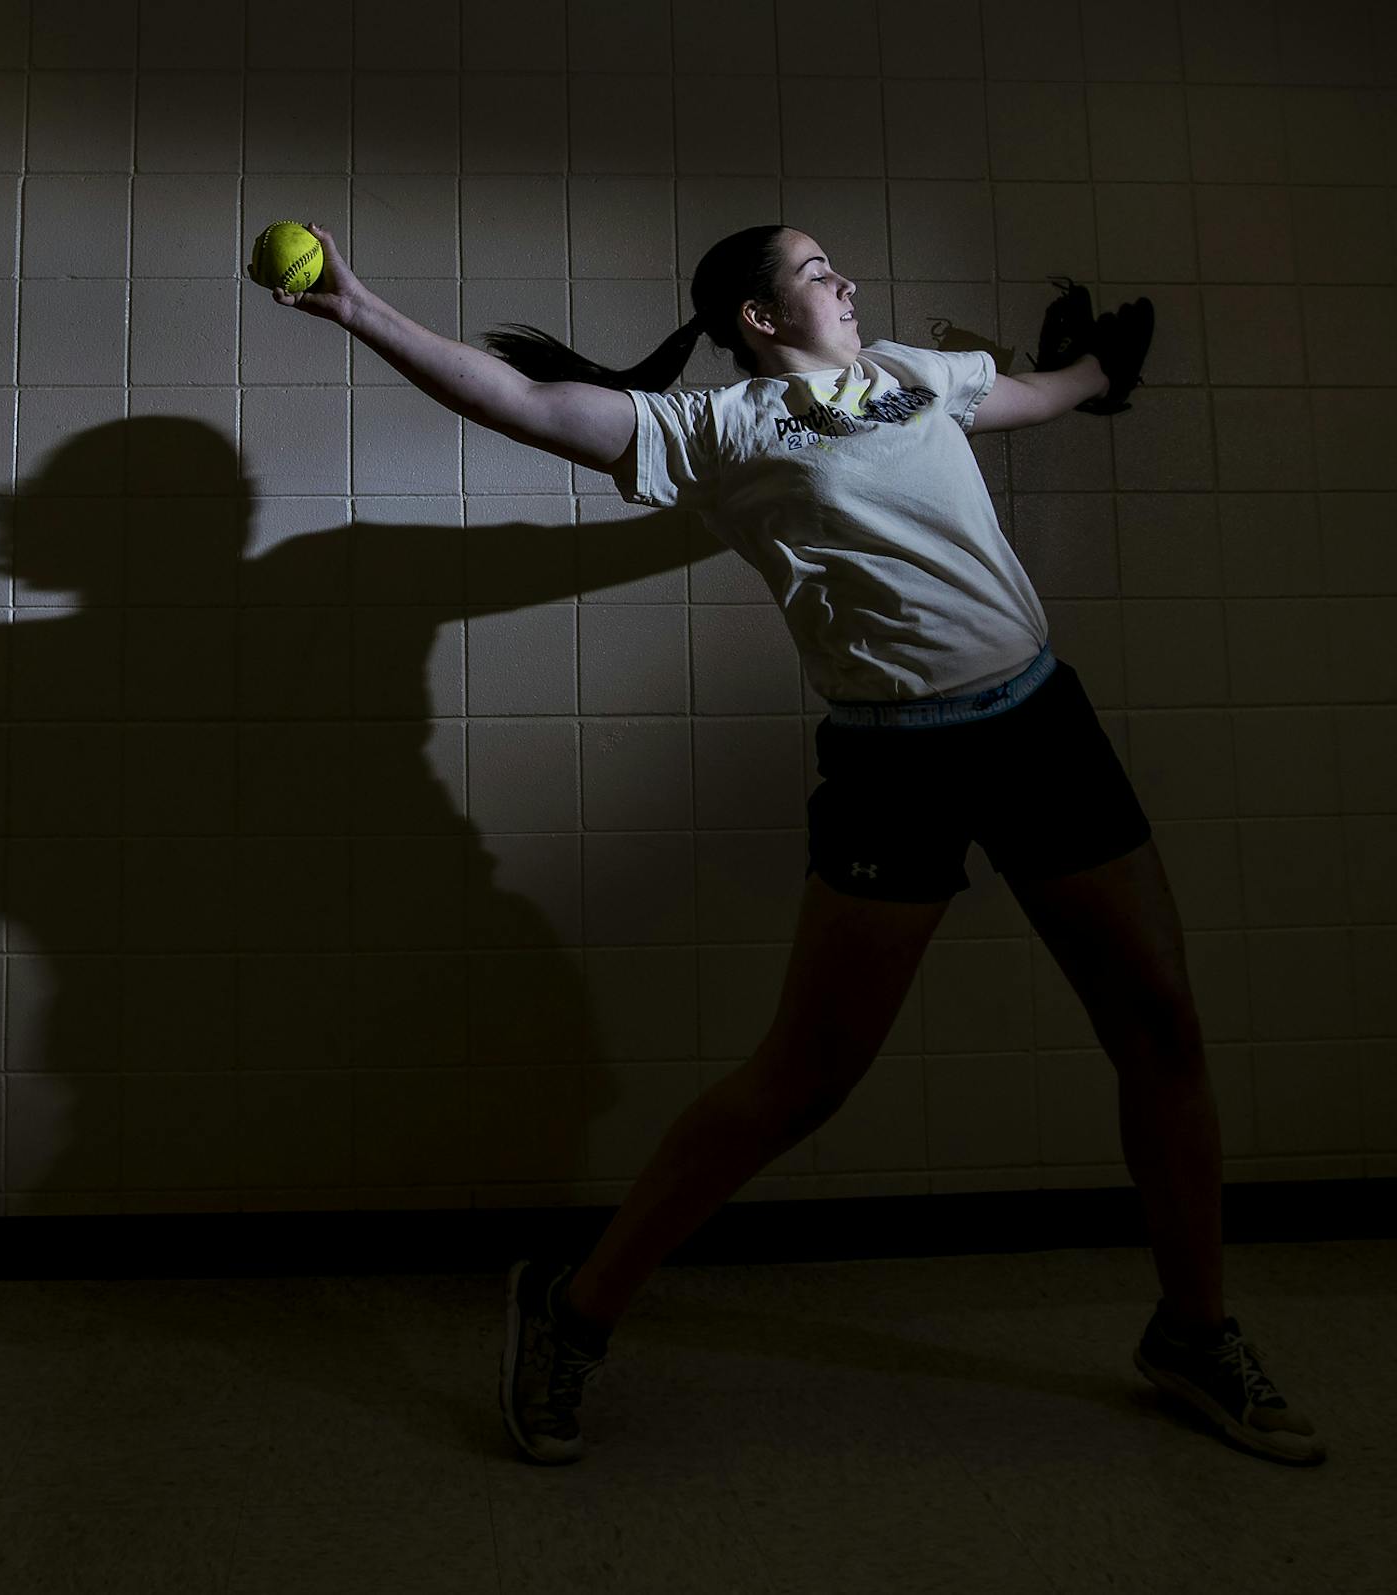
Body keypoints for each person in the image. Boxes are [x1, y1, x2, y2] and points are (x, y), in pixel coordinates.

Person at [259, 221, 1325, 1469]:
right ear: (760, 320)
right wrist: (358, 309)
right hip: (895, 762)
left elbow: (1037, 394)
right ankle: (575, 1302)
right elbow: (530, 400)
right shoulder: (718, 431)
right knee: (806, 1078)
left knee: (1160, 1020)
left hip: (1042, 726)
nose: (849, 280)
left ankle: (1193, 1332)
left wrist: (1100, 371)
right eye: (820, 273)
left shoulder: (917, 375)